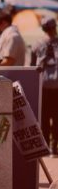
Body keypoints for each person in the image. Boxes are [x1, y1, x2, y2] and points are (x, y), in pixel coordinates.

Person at [35, 17, 58, 154]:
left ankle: (45, 146)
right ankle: (54, 146)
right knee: (56, 116)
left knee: (43, 115)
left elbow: (33, 66)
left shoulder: (38, 44)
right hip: (57, 86)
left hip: (42, 85)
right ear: (55, 27)